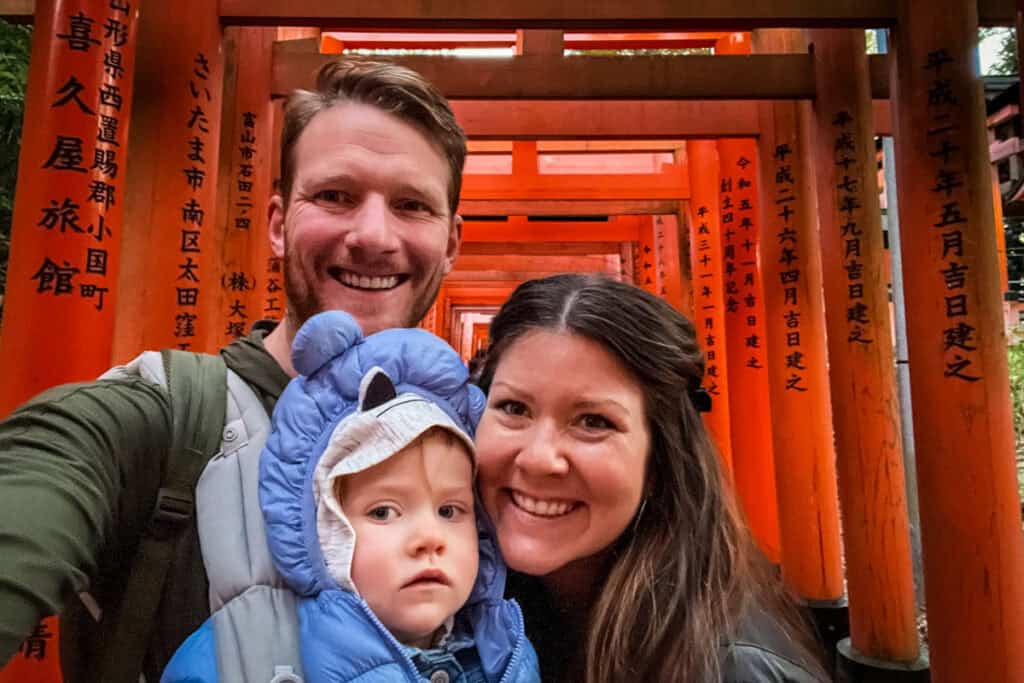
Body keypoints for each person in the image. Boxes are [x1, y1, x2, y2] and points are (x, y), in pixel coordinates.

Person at [0, 58, 467, 681]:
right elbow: (50, 468)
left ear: (453, 242)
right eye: (335, 196)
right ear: (277, 224)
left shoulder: (477, 446)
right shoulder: (166, 422)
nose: (374, 235)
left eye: (412, 205)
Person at [473, 273, 831, 683]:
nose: (539, 459)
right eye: (514, 408)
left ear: (660, 455)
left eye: (593, 421)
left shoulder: (729, 667)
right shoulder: (450, 604)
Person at [160, 311, 538, 682]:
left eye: (449, 510)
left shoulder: (507, 653)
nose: (429, 539)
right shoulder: (241, 654)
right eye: (383, 512)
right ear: (321, 532)